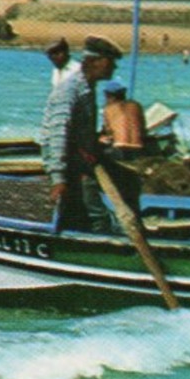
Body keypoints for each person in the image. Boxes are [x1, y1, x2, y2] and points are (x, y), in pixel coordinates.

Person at [40, 35, 123, 232]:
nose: (114, 68)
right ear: (95, 62)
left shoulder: (87, 88)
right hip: (67, 161)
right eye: (110, 62)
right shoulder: (69, 90)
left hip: (79, 158)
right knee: (97, 217)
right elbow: (58, 134)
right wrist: (58, 178)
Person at [101, 82, 147, 158]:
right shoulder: (137, 105)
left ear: (108, 95)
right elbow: (142, 129)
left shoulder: (108, 108)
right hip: (138, 149)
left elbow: (109, 132)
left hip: (120, 150)